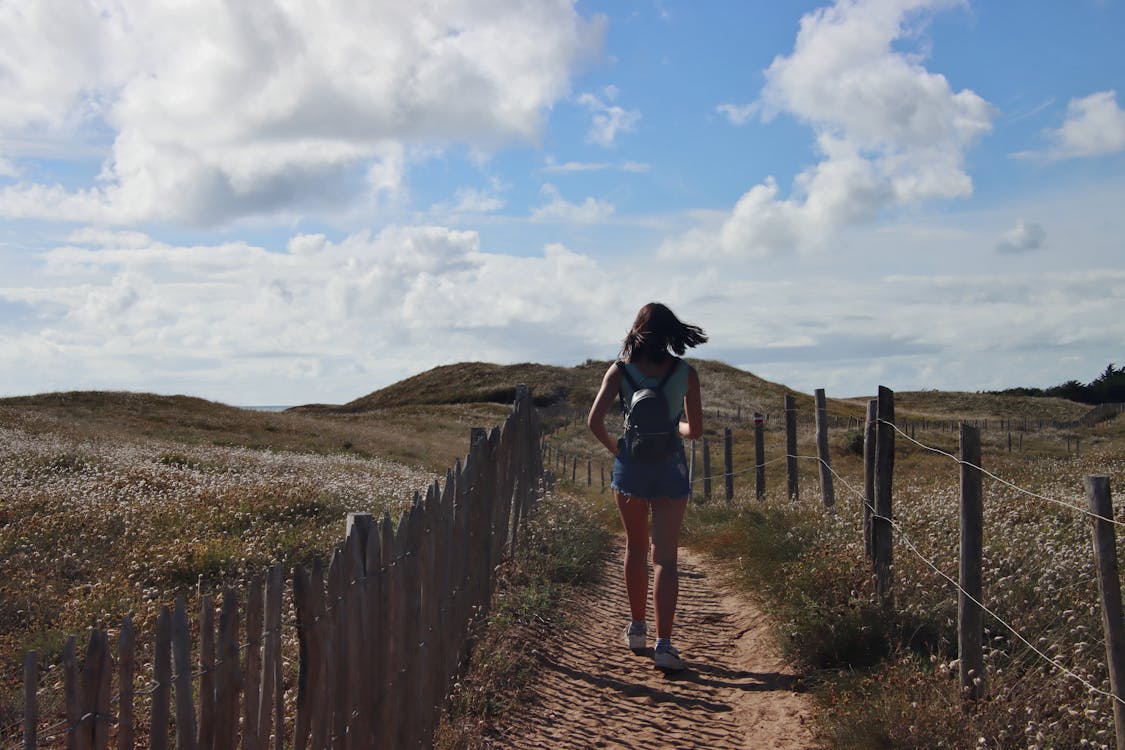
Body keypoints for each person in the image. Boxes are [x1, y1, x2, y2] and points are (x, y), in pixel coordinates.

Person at [587, 302, 707, 671]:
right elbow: (696, 429)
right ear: (671, 332)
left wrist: (618, 448)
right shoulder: (685, 372)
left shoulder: (620, 370)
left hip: (631, 469)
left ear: (636, 329)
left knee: (636, 548)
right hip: (670, 468)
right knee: (666, 558)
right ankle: (665, 645)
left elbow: (594, 422)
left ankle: (637, 628)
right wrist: (678, 429)